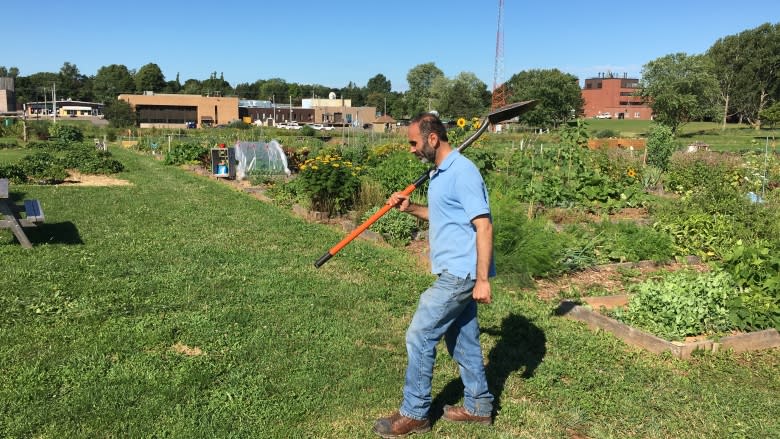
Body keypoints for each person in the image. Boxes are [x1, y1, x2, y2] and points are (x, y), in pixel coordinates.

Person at [373, 112, 495, 438]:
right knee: (463, 339)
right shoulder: (441, 173)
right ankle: (479, 406)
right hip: (454, 269)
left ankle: (415, 413)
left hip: (461, 272)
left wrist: (482, 279)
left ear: (432, 138)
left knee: (420, 334)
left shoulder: (463, 172)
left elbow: (483, 225)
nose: (410, 149)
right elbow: (445, 216)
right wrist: (411, 208)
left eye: (413, 142)